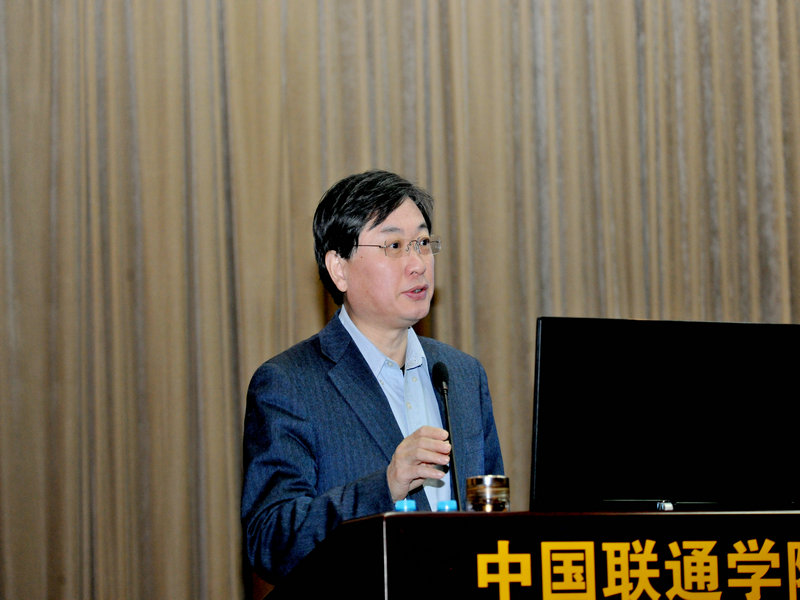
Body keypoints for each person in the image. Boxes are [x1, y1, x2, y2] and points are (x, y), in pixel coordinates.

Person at [241, 169, 504, 584]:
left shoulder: (461, 374)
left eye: (422, 243)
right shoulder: (289, 384)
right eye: (394, 246)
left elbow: (493, 517)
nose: (417, 264)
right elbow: (271, 540)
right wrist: (386, 485)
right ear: (339, 268)